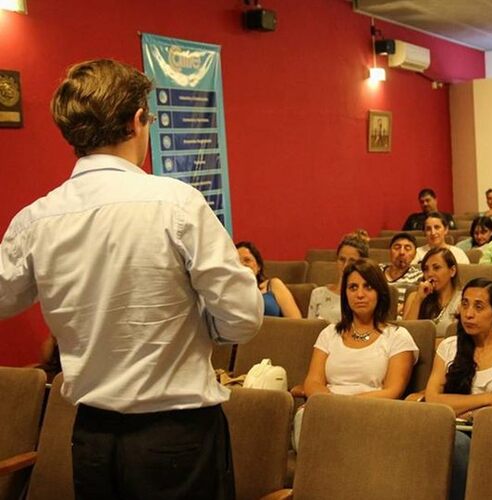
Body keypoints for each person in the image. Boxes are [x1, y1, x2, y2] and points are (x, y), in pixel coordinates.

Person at [0, 59, 264, 499]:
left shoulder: (36, 219)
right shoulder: (175, 204)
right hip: (176, 435)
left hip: (91, 438)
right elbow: (242, 318)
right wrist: (206, 325)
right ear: (138, 119)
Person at [425, 278, 492, 500]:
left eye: (479, 306)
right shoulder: (448, 346)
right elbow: (433, 399)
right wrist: (489, 399)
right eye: (465, 304)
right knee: (455, 441)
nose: (468, 313)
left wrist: (459, 407)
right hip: (448, 430)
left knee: (458, 443)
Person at [296, 259, 419, 448]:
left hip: (370, 413)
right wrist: (332, 404)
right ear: (345, 294)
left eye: (367, 287)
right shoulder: (329, 333)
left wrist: (347, 405)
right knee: (304, 417)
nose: (359, 294)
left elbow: (393, 390)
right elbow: (313, 382)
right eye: (353, 287)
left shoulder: (397, 336)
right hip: (327, 409)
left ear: (380, 292)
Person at [308, 235, 369, 324]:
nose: (345, 266)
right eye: (342, 259)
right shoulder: (318, 293)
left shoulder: (363, 297)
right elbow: (309, 331)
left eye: (352, 261)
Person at [404, 247, 462, 337]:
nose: (430, 274)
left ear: (452, 271)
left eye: (436, 268)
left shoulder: (462, 300)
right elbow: (405, 336)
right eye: (426, 269)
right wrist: (419, 299)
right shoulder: (414, 297)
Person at [236, 241, 301, 318]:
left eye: (247, 260)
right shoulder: (229, 291)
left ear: (258, 266)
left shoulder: (273, 285)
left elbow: (296, 320)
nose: (242, 265)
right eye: (237, 262)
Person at [379, 232, 423, 318]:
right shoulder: (377, 270)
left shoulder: (419, 276)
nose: (402, 252)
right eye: (397, 247)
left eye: (407, 248)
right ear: (390, 251)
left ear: (414, 255)